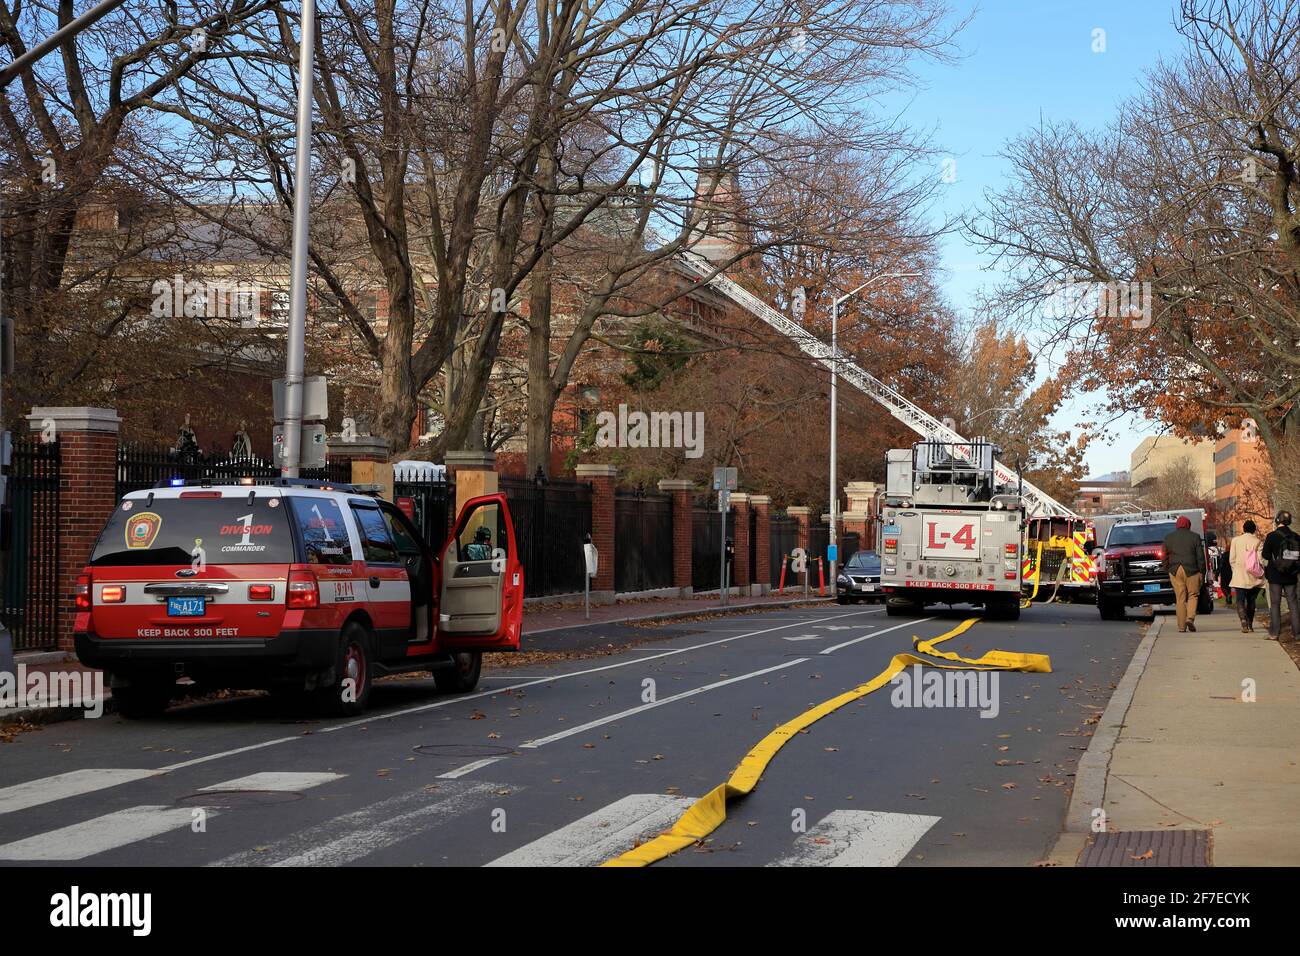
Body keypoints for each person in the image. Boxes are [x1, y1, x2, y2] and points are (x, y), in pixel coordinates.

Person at [1163, 515, 1206, 633]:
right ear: (1188, 525)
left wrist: (1167, 569)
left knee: (1180, 598)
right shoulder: (1195, 537)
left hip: (1175, 570)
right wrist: (1202, 572)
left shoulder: (1168, 538)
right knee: (1193, 595)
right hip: (1192, 569)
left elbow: (1164, 556)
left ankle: (1182, 627)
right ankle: (1190, 618)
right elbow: (1200, 557)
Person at [1261, 511, 1299, 640]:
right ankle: (1297, 633)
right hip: (1291, 575)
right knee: (1293, 603)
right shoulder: (1296, 536)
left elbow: (1265, 555)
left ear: (1277, 520)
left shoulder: (1271, 536)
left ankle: (1274, 633)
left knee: (1275, 603)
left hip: (1275, 575)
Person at [1228, 520, 1264, 633]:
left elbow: (1232, 559)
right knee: (1251, 600)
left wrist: (1236, 569)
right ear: (1254, 529)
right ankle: (1250, 623)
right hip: (1253, 575)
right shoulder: (1258, 541)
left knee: (1240, 599)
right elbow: (1261, 560)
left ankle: (1243, 619)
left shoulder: (1235, 541)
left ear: (1243, 529)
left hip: (1239, 574)